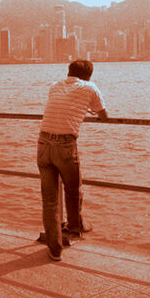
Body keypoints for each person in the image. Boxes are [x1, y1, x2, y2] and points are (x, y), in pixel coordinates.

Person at [37, 59, 108, 261]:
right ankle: (75, 226)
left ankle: (55, 248)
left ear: (69, 72)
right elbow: (104, 115)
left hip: (43, 143)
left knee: (50, 200)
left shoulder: (55, 86)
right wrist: (90, 110)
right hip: (65, 146)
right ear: (89, 75)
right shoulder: (89, 87)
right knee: (73, 189)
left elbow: (63, 106)